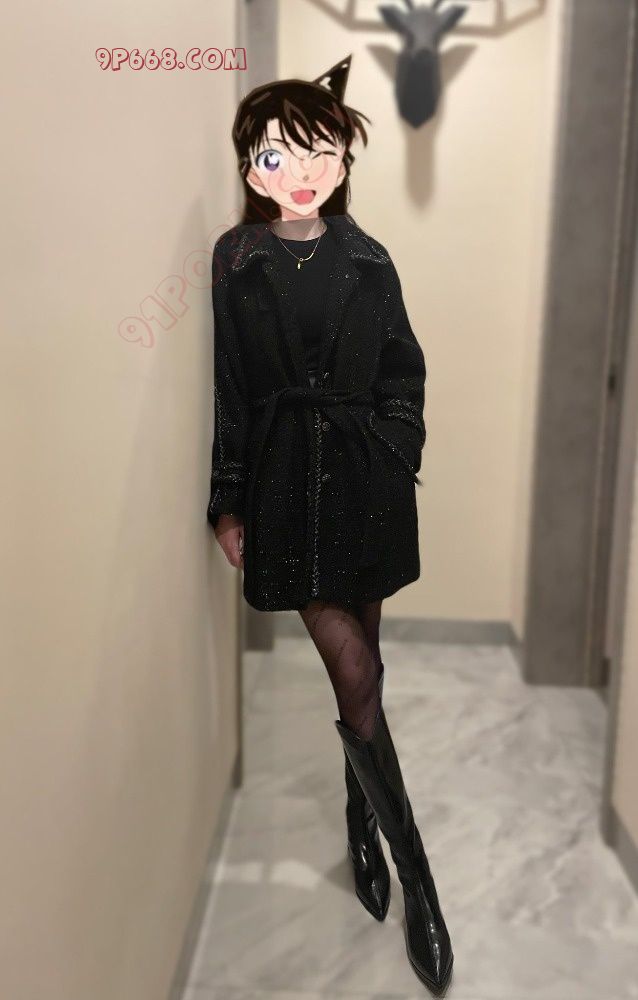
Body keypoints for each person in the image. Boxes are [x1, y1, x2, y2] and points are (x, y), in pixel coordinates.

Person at [207, 54, 454, 996]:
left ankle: (361, 817)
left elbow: (403, 368)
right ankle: (421, 883)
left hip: (365, 479)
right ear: (251, 164)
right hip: (284, 484)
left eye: (320, 152)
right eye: (278, 154)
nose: (301, 170)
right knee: (352, 668)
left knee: (369, 667)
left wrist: (396, 446)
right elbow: (232, 390)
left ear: (344, 160)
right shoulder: (236, 259)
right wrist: (230, 498)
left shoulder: (369, 257)